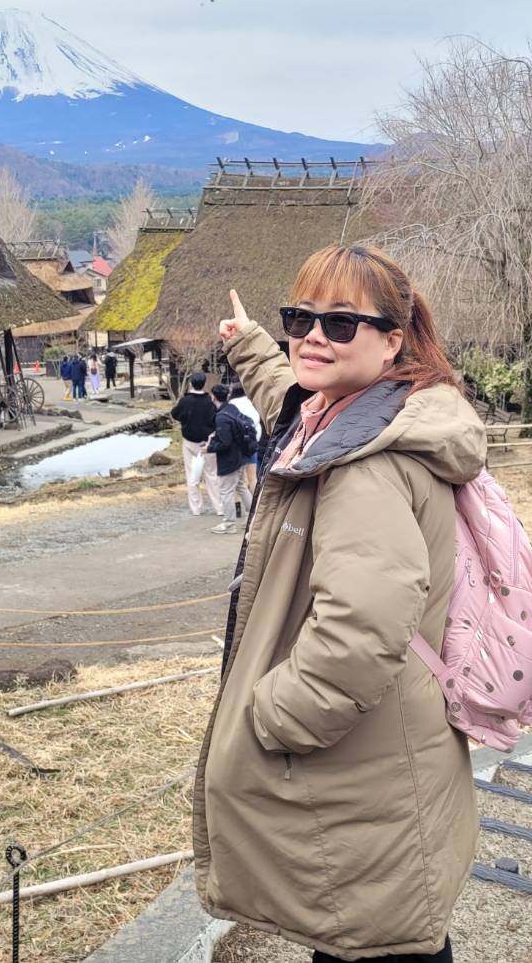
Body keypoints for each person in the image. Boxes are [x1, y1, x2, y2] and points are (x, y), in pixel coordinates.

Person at [194, 244, 484, 963]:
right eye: (300, 318)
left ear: (393, 340)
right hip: (381, 755)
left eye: (341, 323)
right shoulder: (359, 415)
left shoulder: (368, 466)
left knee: (376, 940)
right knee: (375, 931)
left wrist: (273, 716)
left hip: (361, 763)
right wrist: (252, 347)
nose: (313, 336)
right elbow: (290, 404)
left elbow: (360, 626)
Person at [204, 384, 256, 534]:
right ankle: (254, 518)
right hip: (242, 456)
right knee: (241, 487)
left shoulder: (221, 417)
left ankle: (229, 524)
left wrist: (208, 448)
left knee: (226, 491)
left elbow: (225, 442)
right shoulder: (232, 409)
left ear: (213, 397)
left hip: (230, 459)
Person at [171, 372, 221, 516]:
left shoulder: (185, 401)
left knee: (193, 476)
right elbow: (216, 419)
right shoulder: (209, 401)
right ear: (204, 383)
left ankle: (196, 508)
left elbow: (175, 414)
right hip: (208, 442)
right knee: (212, 475)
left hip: (189, 442)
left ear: (191, 383)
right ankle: (220, 508)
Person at [228, 380, 262, 496]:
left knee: (235, 480)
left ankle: (237, 508)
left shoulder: (230, 406)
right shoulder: (253, 403)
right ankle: (255, 505)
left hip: (236, 447)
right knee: (253, 478)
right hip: (252, 444)